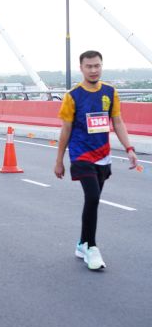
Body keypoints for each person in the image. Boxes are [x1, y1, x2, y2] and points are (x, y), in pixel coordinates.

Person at [54, 50, 138, 271]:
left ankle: (82, 243)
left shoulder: (110, 92)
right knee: (92, 197)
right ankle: (91, 247)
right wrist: (59, 160)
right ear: (81, 68)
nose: (93, 70)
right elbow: (66, 129)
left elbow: (117, 122)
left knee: (93, 200)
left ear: (101, 66)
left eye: (97, 66)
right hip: (81, 154)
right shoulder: (72, 96)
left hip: (102, 155)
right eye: (89, 66)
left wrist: (129, 149)